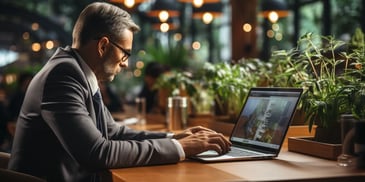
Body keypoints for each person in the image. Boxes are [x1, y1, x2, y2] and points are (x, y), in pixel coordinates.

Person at [8, 2, 231, 182]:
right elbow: (97, 153)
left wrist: (175, 137)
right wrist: (179, 148)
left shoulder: (76, 71)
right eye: (125, 53)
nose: (125, 64)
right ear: (103, 45)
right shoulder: (64, 75)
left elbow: (113, 132)